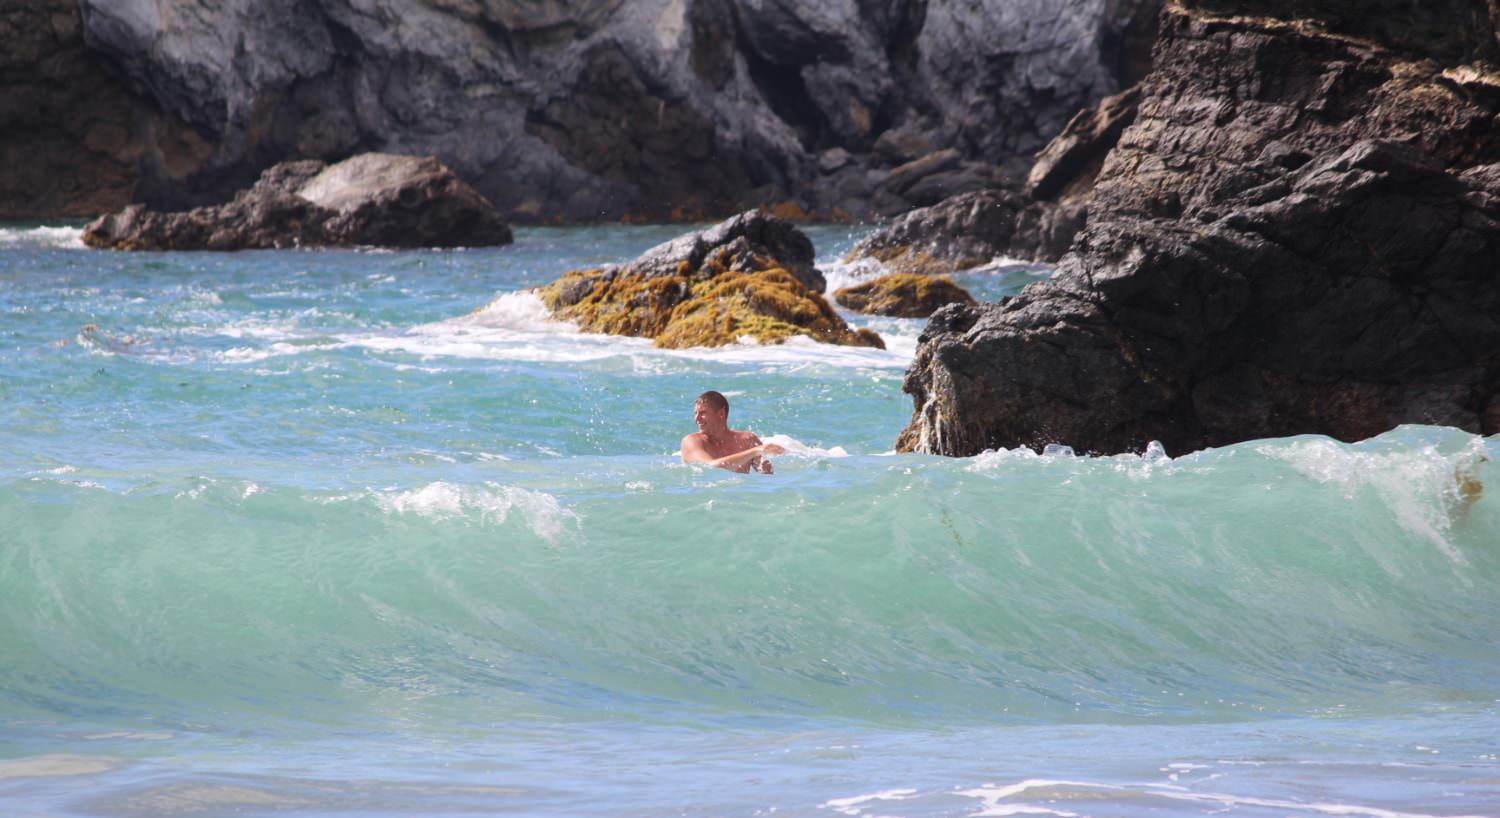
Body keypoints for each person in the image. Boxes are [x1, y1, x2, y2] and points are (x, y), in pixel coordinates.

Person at [680, 390, 784, 473]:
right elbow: (711, 467)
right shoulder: (691, 441)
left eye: (702, 413)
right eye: (695, 413)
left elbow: (769, 479)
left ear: (721, 413)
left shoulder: (747, 441)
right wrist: (755, 451)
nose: (697, 419)